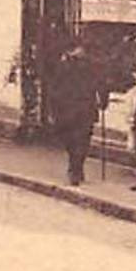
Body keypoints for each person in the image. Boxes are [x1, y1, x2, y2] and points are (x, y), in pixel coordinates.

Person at [51, 40, 101, 186]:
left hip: (83, 109)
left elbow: (100, 84)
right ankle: (76, 166)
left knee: (81, 140)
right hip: (69, 109)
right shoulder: (63, 66)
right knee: (73, 139)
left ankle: (76, 168)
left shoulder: (90, 66)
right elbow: (55, 87)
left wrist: (103, 100)